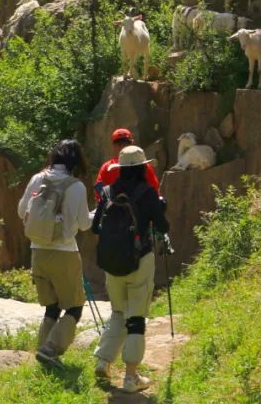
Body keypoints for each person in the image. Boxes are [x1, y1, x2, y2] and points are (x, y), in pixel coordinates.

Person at [91, 145, 170, 393]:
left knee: (117, 312)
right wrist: (159, 207)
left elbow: (95, 228)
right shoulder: (147, 193)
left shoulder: (107, 191)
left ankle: (104, 361)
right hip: (139, 261)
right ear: (143, 167)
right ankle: (131, 377)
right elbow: (163, 226)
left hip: (111, 264)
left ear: (121, 168)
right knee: (135, 318)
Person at [19, 140, 93, 369]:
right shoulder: (76, 186)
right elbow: (83, 225)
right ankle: (50, 349)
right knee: (74, 307)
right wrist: (98, 213)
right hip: (64, 253)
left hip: (37, 252)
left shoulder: (37, 179)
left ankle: (43, 353)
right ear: (76, 160)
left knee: (51, 306)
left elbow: (22, 211)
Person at [93, 128, 160, 205]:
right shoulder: (145, 167)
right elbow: (155, 191)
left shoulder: (106, 168)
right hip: (141, 213)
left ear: (114, 145)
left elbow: (99, 194)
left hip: (115, 213)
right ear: (131, 144)